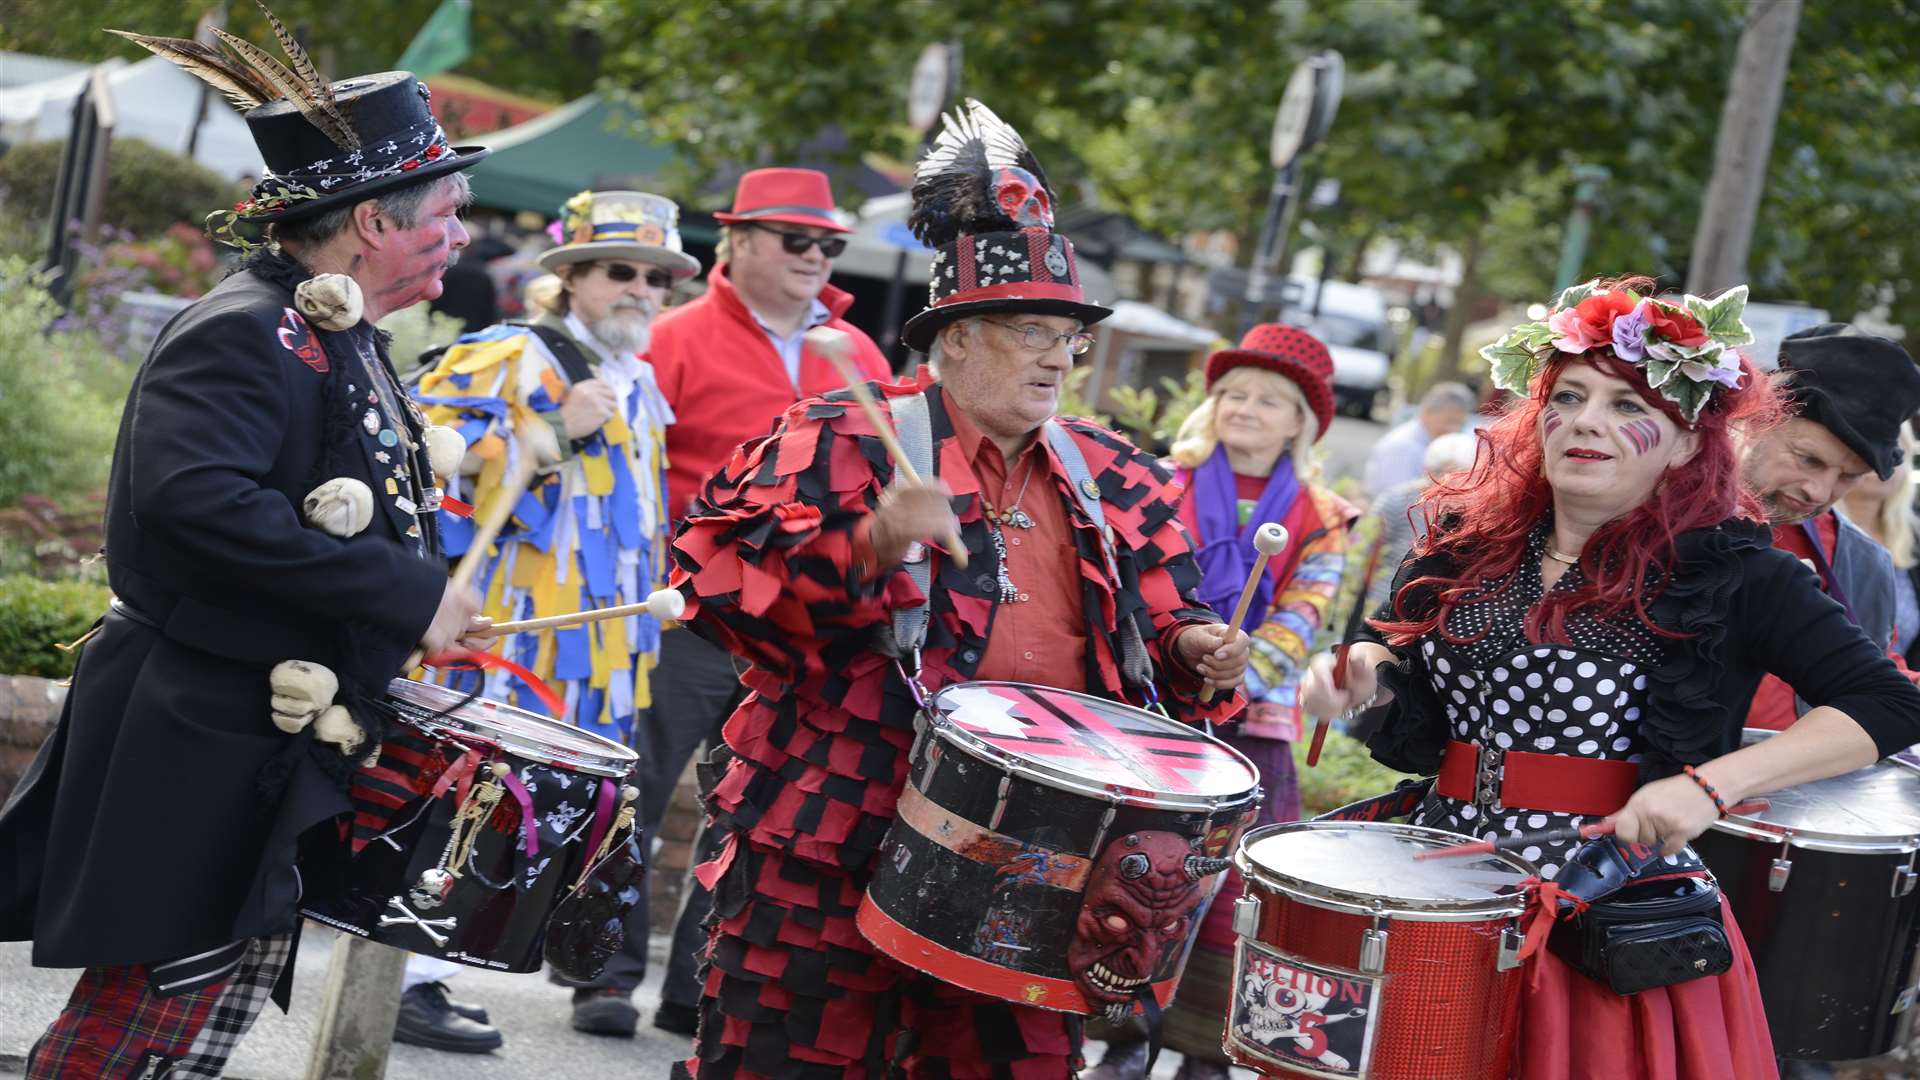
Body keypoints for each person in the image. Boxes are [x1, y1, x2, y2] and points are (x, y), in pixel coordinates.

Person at [670, 99, 1249, 1078]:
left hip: (1044, 862)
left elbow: (1159, 627)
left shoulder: (1115, 474)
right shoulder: (840, 435)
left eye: (1071, 336)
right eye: (1033, 330)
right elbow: (720, 593)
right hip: (838, 829)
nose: (1061, 356)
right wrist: (868, 545)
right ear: (958, 340)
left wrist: (1196, 644)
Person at [0, 27, 492, 1076]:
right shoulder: (245, 327)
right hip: (201, 726)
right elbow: (193, 503)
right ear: (370, 221)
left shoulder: (335, 332)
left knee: (193, 1022)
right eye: (447, 211)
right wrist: (408, 592)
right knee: (144, 1023)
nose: (465, 232)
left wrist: (408, 612)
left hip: (258, 729)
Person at [1300, 277, 1920, 1080]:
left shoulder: (1738, 573)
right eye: (1570, 395)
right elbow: (1402, 660)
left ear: (1689, 444)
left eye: (1630, 407)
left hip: (1601, 916)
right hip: (1435, 881)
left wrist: (1709, 787)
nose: (1588, 420)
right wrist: (1359, 671)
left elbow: (1890, 702)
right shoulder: (1465, 539)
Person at [411, 189, 695, 1039]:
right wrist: (553, 434)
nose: (641, 288)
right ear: (570, 277)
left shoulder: (640, 382)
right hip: (499, 635)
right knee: (468, 793)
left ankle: (425, 969)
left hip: (598, 647)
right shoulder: (510, 353)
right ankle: (401, 977)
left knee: (523, 809)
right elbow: (427, 470)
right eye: (619, 271)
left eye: (657, 276)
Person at [638, 166, 891, 1037]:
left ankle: (693, 988)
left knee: (749, 812)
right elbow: (634, 471)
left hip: (802, 633)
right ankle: (597, 971)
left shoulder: (859, 356)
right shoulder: (673, 335)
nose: (816, 256)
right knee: (638, 790)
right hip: (688, 612)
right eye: (796, 240)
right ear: (737, 242)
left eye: (829, 244)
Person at [1082, 324, 1353, 1080]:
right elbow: (1129, 588)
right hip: (1155, 722)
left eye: (1270, 400)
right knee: (1137, 882)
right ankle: (1124, 1042)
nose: (1247, 408)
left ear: (1303, 420)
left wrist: (1240, 668)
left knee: (1236, 903)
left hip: (1253, 732)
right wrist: (1178, 663)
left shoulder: (1325, 514)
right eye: (1233, 393)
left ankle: (1209, 1053)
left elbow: (1307, 613)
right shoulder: (1157, 482)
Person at [1738, 323, 1920, 731]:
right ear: (1757, 417)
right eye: (1809, 459)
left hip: (1803, 787)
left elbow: (1874, 669)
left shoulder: (1860, 559)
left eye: (1848, 476)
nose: (1819, 491)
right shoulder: (1655, 515)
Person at [1363, 430, 1478, 615]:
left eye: (1464, 474)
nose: (1453, 481)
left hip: (1435, 610)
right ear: (1428, 470)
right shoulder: (1397, 499)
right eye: (1445, 472)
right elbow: (1364, 548)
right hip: (1380, 599)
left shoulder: (1474, 513)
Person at [1840, 429, 1920, 664]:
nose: (1883, 463)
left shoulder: (1914, 539)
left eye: (1897, 454)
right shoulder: (1813, 529)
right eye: (1869, 450)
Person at [1361, 381, 1475, 495]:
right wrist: (1439, 481)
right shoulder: (1402, 445)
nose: (1454, 429)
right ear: (1426, 412)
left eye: (1460, 424)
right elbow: (1393, 497)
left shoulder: (1444, 443)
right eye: (1449, 421)